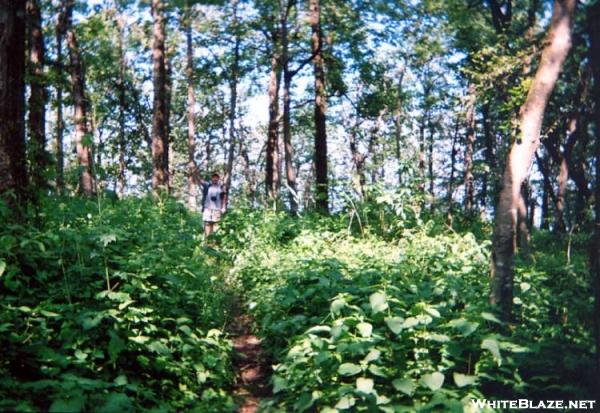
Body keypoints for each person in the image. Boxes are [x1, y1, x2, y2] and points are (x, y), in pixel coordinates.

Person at [199, 172, 227, 239]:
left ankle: (214, 242)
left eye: (216, 177)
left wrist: (223, 207)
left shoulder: (221, 187)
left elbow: (224, 198)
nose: (215, 179)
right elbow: (199, 180)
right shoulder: (207, 185)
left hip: (217, 209)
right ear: (212, 178)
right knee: (207, 224)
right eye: (214, 177)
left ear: (218, 179)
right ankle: (207, 240)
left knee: (216, 225)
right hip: (207, 208)